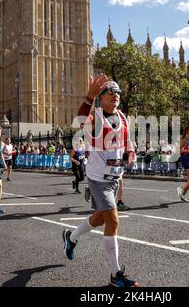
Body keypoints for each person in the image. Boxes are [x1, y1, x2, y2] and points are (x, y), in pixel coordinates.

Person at [63, 75, 139, 288]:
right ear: (102, 97)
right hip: (98, 178)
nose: (116, 95)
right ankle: (116, 276)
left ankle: (72, 237)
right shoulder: (95, 117)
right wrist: (89, 97)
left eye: (118, 92)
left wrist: (131, 153)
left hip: (115, 177)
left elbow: (127, 141)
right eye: (111, 92)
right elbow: (78, 121)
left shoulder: (124, 117)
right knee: (113, 221)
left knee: (99, 218)